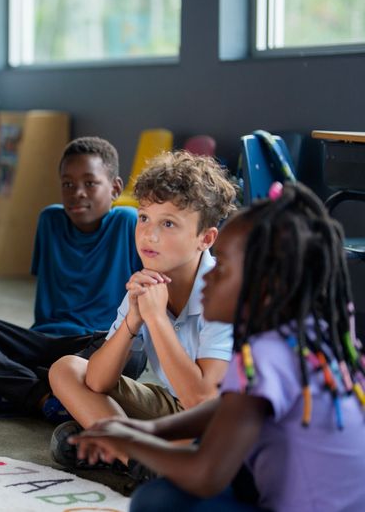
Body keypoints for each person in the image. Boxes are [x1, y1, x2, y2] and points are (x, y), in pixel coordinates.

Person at [70, 182, 365, 511]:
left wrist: (135, 442)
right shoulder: (305, 335)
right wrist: (148, 429)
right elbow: (229, 406)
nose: (209, 277)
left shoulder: (265, 357)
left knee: (155, 501)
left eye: (221, 267)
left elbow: (206, 473)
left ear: (266, 287)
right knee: (167, 492)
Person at [49, 151, 237, 476]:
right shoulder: (148, 280)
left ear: (205, 239)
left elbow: (203, 402)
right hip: (177, 408)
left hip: (228, 422)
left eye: (168, 223)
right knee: (67, 369)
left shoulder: (224, 294)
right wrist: (132, 321)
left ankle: (127, 451)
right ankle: (139, 460)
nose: (148, 235)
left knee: (72, 439)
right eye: (144, 217)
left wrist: (157, 319)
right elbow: (97, 381)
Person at [0, 137, 145, 421]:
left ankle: (11, 390)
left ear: (115, 188)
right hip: (43, 340)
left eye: (90, 183)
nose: (77, 193)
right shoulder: (50, 220)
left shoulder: (128, 222)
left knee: (134, 356)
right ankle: (42, 395)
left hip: (96, 344)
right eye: (68, 184)